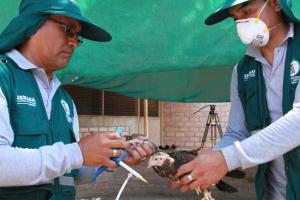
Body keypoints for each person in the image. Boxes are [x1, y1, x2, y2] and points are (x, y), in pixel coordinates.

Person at [0, 0, 155, 199]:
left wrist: (114, 154)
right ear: (32, 25)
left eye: (77, 36)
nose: (74, 42)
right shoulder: (4, 77)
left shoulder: (64, 100)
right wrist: (78, 152)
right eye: (68, 30)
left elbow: (73, 173)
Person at [171, 0, 300, 199]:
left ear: (275, 4)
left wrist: (227, 159)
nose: (242, 23)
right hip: (276, 192)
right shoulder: (242, 70)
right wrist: (206, 161)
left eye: (247, 11)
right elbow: (236, 131)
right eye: (235, 18)